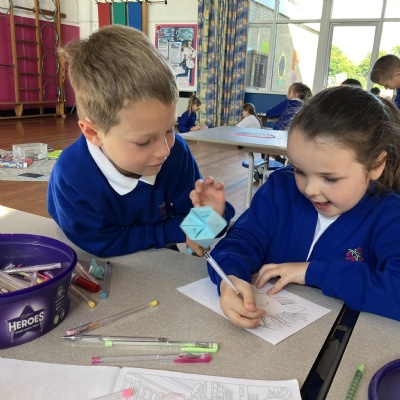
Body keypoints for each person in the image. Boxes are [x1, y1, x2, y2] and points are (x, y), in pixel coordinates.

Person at [205, 85, 400, 327]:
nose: (309, 190)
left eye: (330, 178)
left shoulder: (390, 216)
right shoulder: (281, 187)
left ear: (376, 165)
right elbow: (230, 241)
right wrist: (230, 277)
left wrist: (312, 272)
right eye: (299, 170)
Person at [47, 25, 235, 258]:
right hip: (88, 253)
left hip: (152, 252)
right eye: (144, 141)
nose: (165, 151)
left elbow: (196, 236)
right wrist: (179, 230)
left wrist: (211, 219)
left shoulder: (176, 153)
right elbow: (103, 243)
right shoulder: (72, 176)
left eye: (170, 129)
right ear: (93, 133)